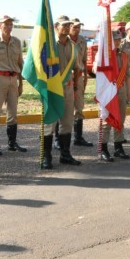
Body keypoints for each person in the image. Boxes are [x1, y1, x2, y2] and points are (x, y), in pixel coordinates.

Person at [40, 15, 81, 169]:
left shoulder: (73, 46)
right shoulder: (49, 45)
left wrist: (76, 88)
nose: (66, 27)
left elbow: (77, 69)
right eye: (63, 25)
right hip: (52, 88)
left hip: (69, 88)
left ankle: (65, 154)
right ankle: (46, 156)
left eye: (68, 25)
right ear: (56, 27)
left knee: (67, 122)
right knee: (50, 122)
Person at [0, 15, 26, 156]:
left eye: (10, 24)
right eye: (6, 24)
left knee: (13, 113)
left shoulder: (16, 42)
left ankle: (12, 143)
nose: (9, 27)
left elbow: (20, 63)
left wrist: (21, 83)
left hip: (13, 78)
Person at [98, 29, 130, 161]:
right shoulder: (104, 56)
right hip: (107, 92)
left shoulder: (124, 55)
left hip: (121, 90)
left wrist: (129, 92)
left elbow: (127, 76)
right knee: (107, 120)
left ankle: (118, 147)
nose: (117, 41)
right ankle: (104, 148)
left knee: (120, 120)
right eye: (115, 39)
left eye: (119, 39)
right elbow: (97, 70)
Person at [68, 17, 93, 147]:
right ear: (69, 27)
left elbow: (84, 60)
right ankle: (57, 139)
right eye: (74, 27)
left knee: (79, 107)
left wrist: (85, 76)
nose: (77, 29)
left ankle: (78, 137)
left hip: (79, 76)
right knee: (63, 108)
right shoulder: (64, 40)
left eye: (79, 27)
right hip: (66, 77)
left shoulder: (82, 41)